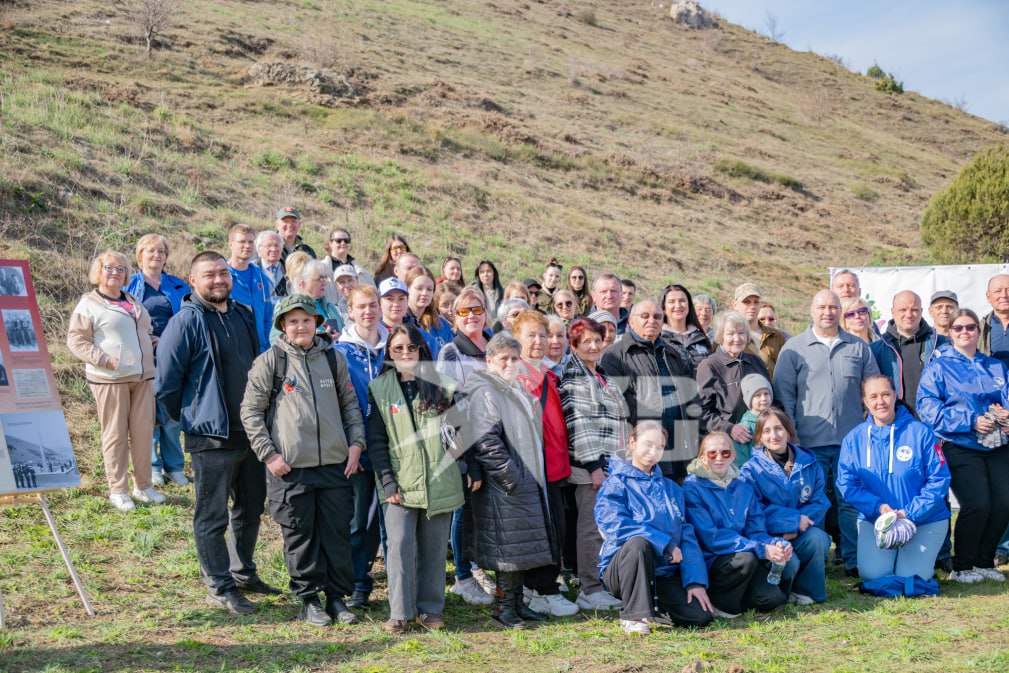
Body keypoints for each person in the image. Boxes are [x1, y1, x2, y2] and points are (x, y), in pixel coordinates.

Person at [156, 251, 279, 614]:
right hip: (210, 436)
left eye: (223, 273)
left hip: (250, 432)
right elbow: (166, 385)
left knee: (250, 507)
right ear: (193, 281)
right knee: (212, 516)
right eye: (209, 274)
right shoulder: (184, 322)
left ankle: (243, 572)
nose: (219, 280)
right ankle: (220, 585)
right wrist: (194, 416)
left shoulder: (243, 314)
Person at [240, 294, 366, 626]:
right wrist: (269, 455)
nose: (301, 326)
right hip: (290, 469)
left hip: (335, 465)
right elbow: (251, 413)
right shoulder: (270, 362)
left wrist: (356, 443)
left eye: (307, 320)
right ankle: (309, 600)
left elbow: (350, 405)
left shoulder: (333, 359)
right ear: (283, 324)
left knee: (337, 534)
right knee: (300, 536)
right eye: (293, 321)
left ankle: (336, 598)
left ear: (317, 323)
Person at [773, 289, 879, 577]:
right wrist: (792, 437)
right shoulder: (794, 348)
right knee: (813, 504)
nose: (827, 312)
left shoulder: (858, 347)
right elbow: (784, 395)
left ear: (840, 311)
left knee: (850, 501)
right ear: (812, 311)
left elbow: (873, 390)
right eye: (822, 307)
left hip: (851, 443)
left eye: (833, 307)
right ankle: (814, 563)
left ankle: (855, 560)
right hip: (808, 443)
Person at [367, 325, 464, 633]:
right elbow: (376, 440)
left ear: (422, 350)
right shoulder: (379, 388)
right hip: (399, 481)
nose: (405, 353)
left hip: (439, 480)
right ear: (389, 353)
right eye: (398, 348)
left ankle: (430, 609)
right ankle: (400, 612)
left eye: (411, 347)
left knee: (434, 549)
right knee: (399, 546)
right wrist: (387, 480)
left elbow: (461, 432)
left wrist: (470, 468)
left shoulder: (443, 385)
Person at [467, 333, 557, 629]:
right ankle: (503, 608)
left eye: (514, 358)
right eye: (503, 358)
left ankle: (517, 603)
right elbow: (486, 440)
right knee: (508, 549)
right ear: (489, 361)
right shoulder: (486, 390)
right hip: (505, 484)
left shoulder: (515, 388)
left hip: (524, 480)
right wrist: (511, 477)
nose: (509, 363)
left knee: (519, 547)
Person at [595, 421, 714, 634]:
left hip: (663, 572)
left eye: (659, 447)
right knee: (638, 543)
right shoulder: (615, 484)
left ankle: (654, 608)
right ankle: (633, 615)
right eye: (647, 444)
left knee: (699, 617)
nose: (653, 452)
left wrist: (695, 581)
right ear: (632, 443)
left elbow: (686, 534)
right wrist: (665, 543)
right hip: (624, 570)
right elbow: (614, 525)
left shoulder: (672, 488)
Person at [917, 309, 1009, 583]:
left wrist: (1006, 418)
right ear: (950, 333)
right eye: (958, 328)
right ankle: (962, 566)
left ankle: (984, 562)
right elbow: (928, 408)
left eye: (970, 327)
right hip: (960, 444)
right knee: (977, 504)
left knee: (1004, 503)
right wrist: (971, 420)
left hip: (998, 445)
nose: (965, 332)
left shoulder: (996, 366)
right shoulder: (938, 367)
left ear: (978, 332)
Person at [68, 250, 163, 511]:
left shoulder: (132, 300)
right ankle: (118, 490)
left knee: (143, 433)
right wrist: (104, 359)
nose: (115, 273)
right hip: (110, 379)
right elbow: (76, 340)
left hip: (143, 377)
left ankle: (143, 486)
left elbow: (146, 334)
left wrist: (161, 347)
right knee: (116, 435)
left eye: (121, 269)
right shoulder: (89, 303)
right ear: (98, 271)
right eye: (109, 268)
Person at [838, 375, 951, 586]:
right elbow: (847, 484)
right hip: (877, 521)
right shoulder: (854, 439)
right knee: (874, 576)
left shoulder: (921, 432)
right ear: (865, 401)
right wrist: (878, 508)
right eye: (873, 396)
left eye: (885, 395)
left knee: (910, 578)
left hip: (924, 520)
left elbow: (939, 478)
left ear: (895, 395)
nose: (880, 401)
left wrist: (910, 513)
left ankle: (914, 561)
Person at [683, 433, 793, 618]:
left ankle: (738, 597)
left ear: (733, 456)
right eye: (712, 453)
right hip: (712, 559)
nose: (719, 458)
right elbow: (711, 538)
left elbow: (755, 530)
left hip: (745, 553)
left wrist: (773, 543)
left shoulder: (744, 487)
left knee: (772, 599)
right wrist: (760, 549)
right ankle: (721, 604)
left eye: (725, 453)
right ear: (702, 458)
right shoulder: (692, 488)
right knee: (745, 559)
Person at [559, 317, 628, 611]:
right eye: (585, 341)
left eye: (597, 340)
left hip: (612, 464)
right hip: (591, 470)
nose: (592, 346)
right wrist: (594, 467)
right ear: (574, 345)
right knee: (591, 528)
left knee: (606, 527)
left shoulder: (600, 374)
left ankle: (605, 582)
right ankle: (590, 588)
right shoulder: (575, 377)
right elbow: (579, 426)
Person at [513, 310, 578, 617]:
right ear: (517, 339)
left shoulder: (550, 374)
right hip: (533, 467)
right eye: (531, 335)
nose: (539, 341)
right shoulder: (517, 375)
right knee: (544, 530)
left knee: (555, 527)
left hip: (554, 463)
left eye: (543, 335)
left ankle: (537, 585)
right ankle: (543, 589)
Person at [435, 287, 495, 606]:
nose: (471, 315)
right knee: (465, 512)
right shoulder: (450, 352)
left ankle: (483, 568)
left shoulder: (495, 347)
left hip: (497, 444)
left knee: (488, 513)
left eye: (477, 309)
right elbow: (449, 409)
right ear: (454, 318)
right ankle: (463, 576)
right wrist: (468, 458)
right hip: (466, 445)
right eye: (463, 311)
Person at [740, 409, 831, 604]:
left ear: (788, 431)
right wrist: (791, 522)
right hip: (770, 535)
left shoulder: (809, 462)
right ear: (759, 437)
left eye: (779, 428)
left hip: (802, 530)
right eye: (766, 431)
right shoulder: (750, 470)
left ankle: (807, 592)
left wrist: (799, 525)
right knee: (791, 563)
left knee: (818, 539)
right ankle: (782, 591)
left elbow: (819, 501)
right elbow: (754, 511)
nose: (774, 435)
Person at [601, 300, 700, 481]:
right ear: (631, 321)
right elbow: (616, 405)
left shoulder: (674, 352)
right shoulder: (615, 355)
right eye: (645, 316)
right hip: (645, 447)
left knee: (678, 493)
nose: (652, 321)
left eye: (657, 316)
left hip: (679, 444)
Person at [335, 285, 387, 610]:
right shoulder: (340, 352)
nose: (368, 311)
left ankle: (398, 582)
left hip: (391, 450)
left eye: (372, 305)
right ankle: (357, 583)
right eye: (361, 306)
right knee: (356, 521)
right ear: (350, 311)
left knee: (388, 521)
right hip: (356, 448)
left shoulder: (393, 346)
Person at [126, 234, 190, 487]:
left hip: (174, 356)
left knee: (172, 412)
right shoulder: (129, 285)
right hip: (143, 358)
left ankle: (175, 466)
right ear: (140, 255)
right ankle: (153, 466)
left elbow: (190, 317)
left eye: (161, 251)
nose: (156, 255)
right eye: (151, 251)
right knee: (148, 413)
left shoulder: (177, 285)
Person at [696, 311, 771, 449]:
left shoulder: (756, 362)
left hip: (761, 440)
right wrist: (729, 428)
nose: (737, 338)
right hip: (726, 443)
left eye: (741, 333)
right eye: (730, 334)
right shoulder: (709, 366)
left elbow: (772, 399)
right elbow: (700, 412)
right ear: (721, 336)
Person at [869, 290, 945, 418]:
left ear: (921, 311)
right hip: (895, 422)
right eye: (903, 310)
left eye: (914, 310)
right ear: (893, 312)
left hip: (934, 421)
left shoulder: (942, 344)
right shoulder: (876, 349)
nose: (909, 314)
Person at [227, 224, 274, 353]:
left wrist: (265, 345)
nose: (247, 246)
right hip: (234, 351)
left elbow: (267, 316)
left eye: (250, 242)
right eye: (242, 241)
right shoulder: (222, 277)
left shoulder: (261, 277)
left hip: (260, 350)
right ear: (231, 244)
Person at [275, 260, 343, 343]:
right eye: (320, 279)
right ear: (303, 283)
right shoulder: (288, 306)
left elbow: (342, 332)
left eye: (325, 278)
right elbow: (276, 338)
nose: (325, 282)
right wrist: (321, 339)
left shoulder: (329, 306)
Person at [733, 283, 786, 378]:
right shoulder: (727, 336)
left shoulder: (776, 336)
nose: (752, 306)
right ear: (735, 305)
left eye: (756, 302)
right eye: (747, 302)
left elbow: (785, 371)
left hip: (770, 387)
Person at [404, 266, 454, 359]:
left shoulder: (441, 325)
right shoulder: (400, 322)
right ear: (407, 289)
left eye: (429, 289)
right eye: (419, 288)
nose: (424, 293)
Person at [660, 284, 712, 370]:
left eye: (682, 301)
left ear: (689, 305)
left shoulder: (701, 338)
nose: (678, 305)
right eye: (671, 302)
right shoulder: (658, 339)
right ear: (664, 308)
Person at [731, 374, 773, 467]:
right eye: (758, 395)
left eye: (766, 394)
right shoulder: (745, 427)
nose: (763, 398)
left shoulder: (776, 420)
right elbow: (740, 460)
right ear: (749, 399)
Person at [980, 274, 1009, 369]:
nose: (1004, 295)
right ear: (988, 297)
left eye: (1008, 290)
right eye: (998, 291)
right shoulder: (979, 328)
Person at [254, 230, 287, 300]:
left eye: (277, 245)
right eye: (269, 246)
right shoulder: (251, 269)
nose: (273, 249)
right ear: (259, 250)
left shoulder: (289, 269)